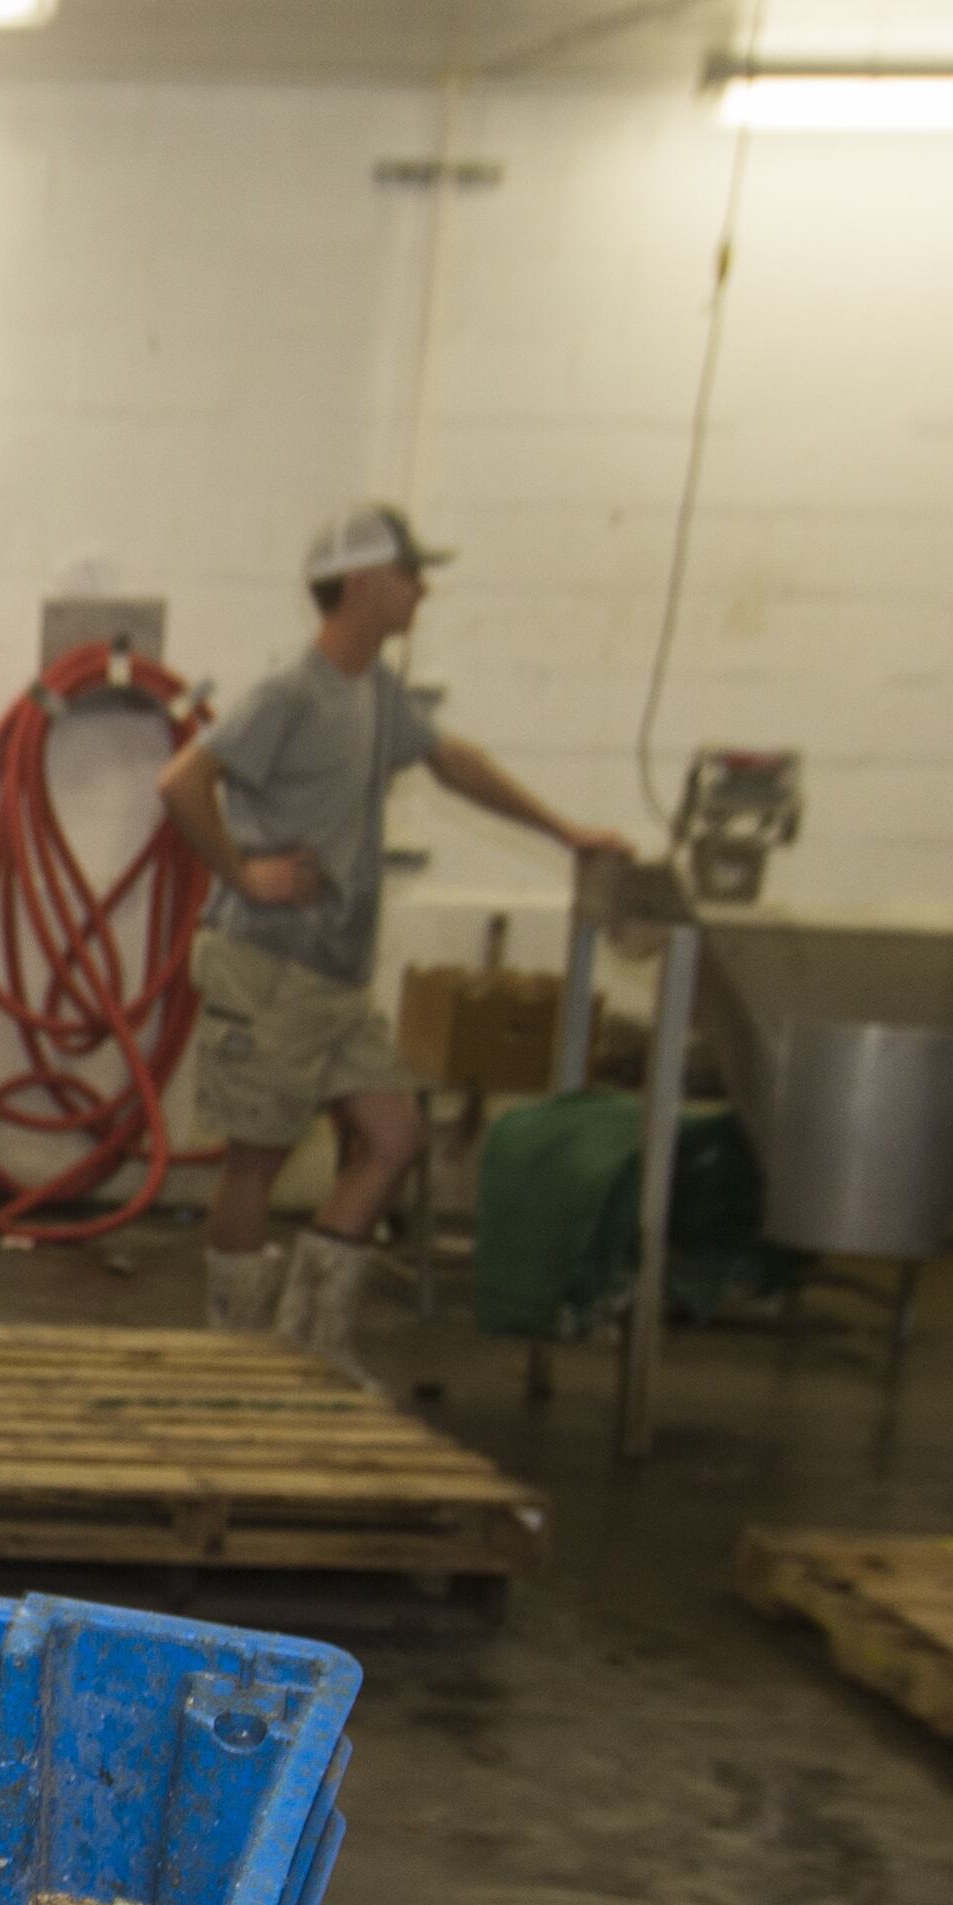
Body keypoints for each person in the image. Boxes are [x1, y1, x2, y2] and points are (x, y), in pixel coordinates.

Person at [156, 504, 630, 1366]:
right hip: (267, 964)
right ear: (368, 582)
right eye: (411, 576)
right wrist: (241, 872)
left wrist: (568, 833)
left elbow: (454, 762)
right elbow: (184, 781)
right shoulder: (291, 692)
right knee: (256, 1159)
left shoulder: (376, 694)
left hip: (335, 978)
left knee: (395, 1137)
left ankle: (308, 1344)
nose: (422, 592)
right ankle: (231, 1360)